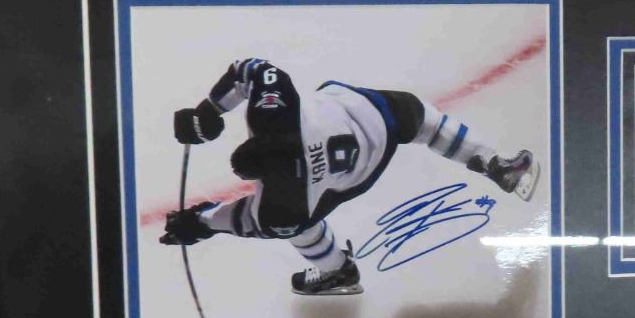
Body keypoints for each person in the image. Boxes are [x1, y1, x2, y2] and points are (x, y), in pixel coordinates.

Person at [159, 58, 539, 295]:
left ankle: (337, 272)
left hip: (356, 174)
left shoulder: (284, 206)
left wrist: (201, 222)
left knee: (301, 227)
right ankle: (495, 163)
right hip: (368, 116)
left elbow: (247, 221)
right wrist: (209, 110)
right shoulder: (275, 110)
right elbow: (253, 69)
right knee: (423, 120)